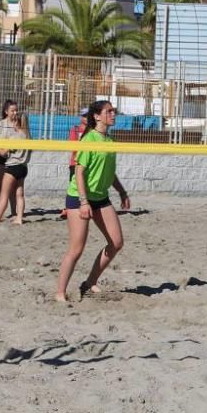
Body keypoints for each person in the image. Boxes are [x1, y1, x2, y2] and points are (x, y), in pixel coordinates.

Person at [56, 100, 131, 302]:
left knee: (116, 242)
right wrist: (83, 202)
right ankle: (60, 293)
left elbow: (110, 172)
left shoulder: (110, 141)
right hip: (79, 197)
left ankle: (89, 283)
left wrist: (122, 192)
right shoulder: (89, 139)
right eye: (109, 111)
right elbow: (79, 172)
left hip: (100, 197)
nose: (113, 114)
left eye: (114, 111)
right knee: (76, 249)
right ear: (97, 116)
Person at [0, 101, 30, 224]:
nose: (15, 113)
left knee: (6, 193)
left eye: (16, 111)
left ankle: (2, 216)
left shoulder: (16, 133)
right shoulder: (3, 125)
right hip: (16, 164)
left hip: (12, 163)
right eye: (13, 110)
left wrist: (1, 150)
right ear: (6, 111)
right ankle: (15, 217)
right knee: (15, 192)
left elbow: (4, 151)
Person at [62, 109, 89, 219]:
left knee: (86, 186)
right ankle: (68, 209)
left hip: (88, 164)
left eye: (88, 116)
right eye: (85, 116)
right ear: (81, 117)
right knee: (73, 187)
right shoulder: (75, 130)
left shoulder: (93, 131)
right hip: (75, 163)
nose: (87, 118)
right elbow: (73, 147)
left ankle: (85, 206)